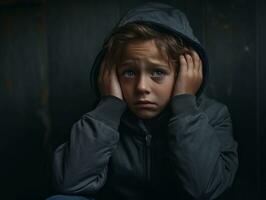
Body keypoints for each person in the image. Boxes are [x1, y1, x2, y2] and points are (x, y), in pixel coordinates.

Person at [47, 2, 238, 200]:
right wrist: (109, 106)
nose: (141, 87)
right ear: (112, 75)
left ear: (184, 74)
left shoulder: (213, 115)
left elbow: (205, 189)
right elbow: (70, 184)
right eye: (129, 72)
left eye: (158, 72)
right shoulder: (102, 119)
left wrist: (185, 107)